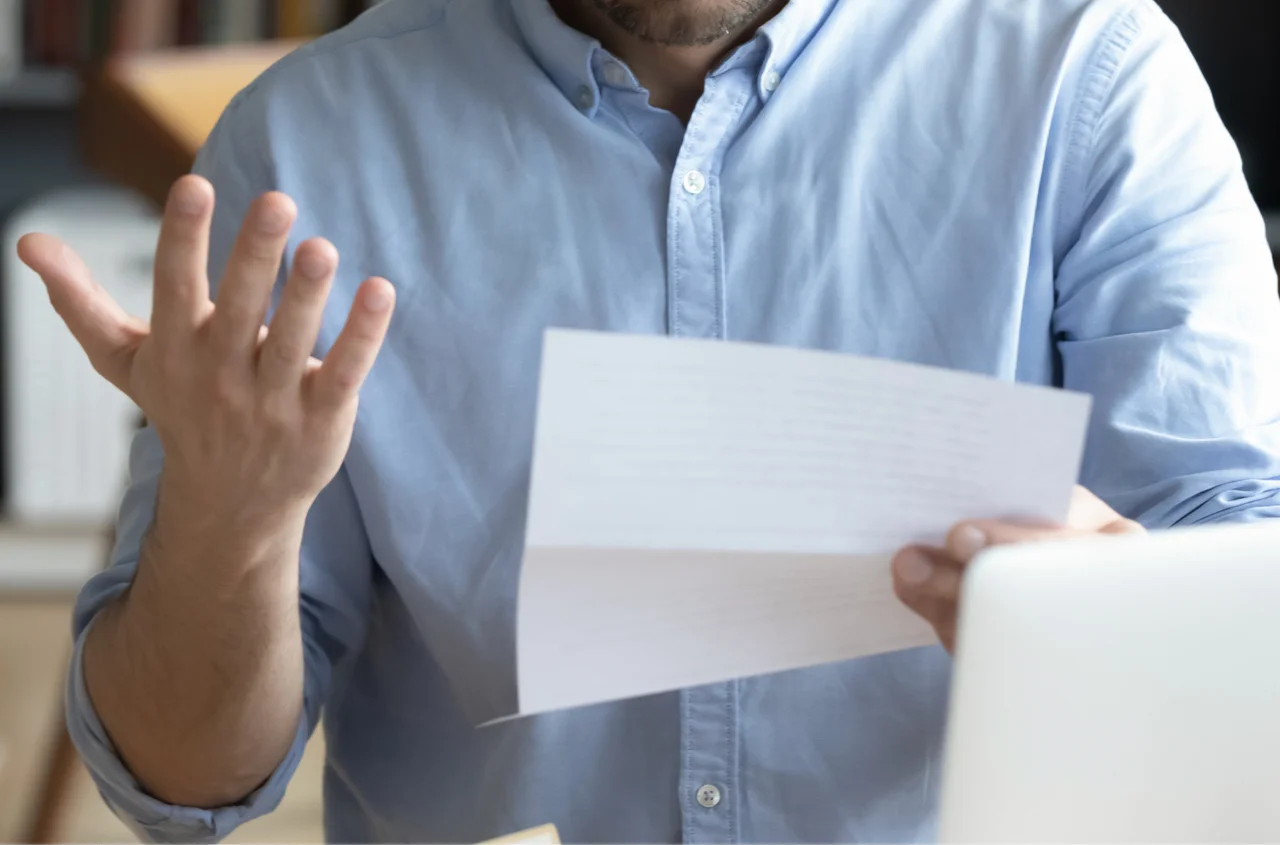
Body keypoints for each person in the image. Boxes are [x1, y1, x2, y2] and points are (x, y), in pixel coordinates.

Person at [16, 0, 1280, 841]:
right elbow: (182, 780)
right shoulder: (309, 146)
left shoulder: (1088, 77)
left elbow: (1244, 589)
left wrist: (1117, 602)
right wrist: (229, 532)